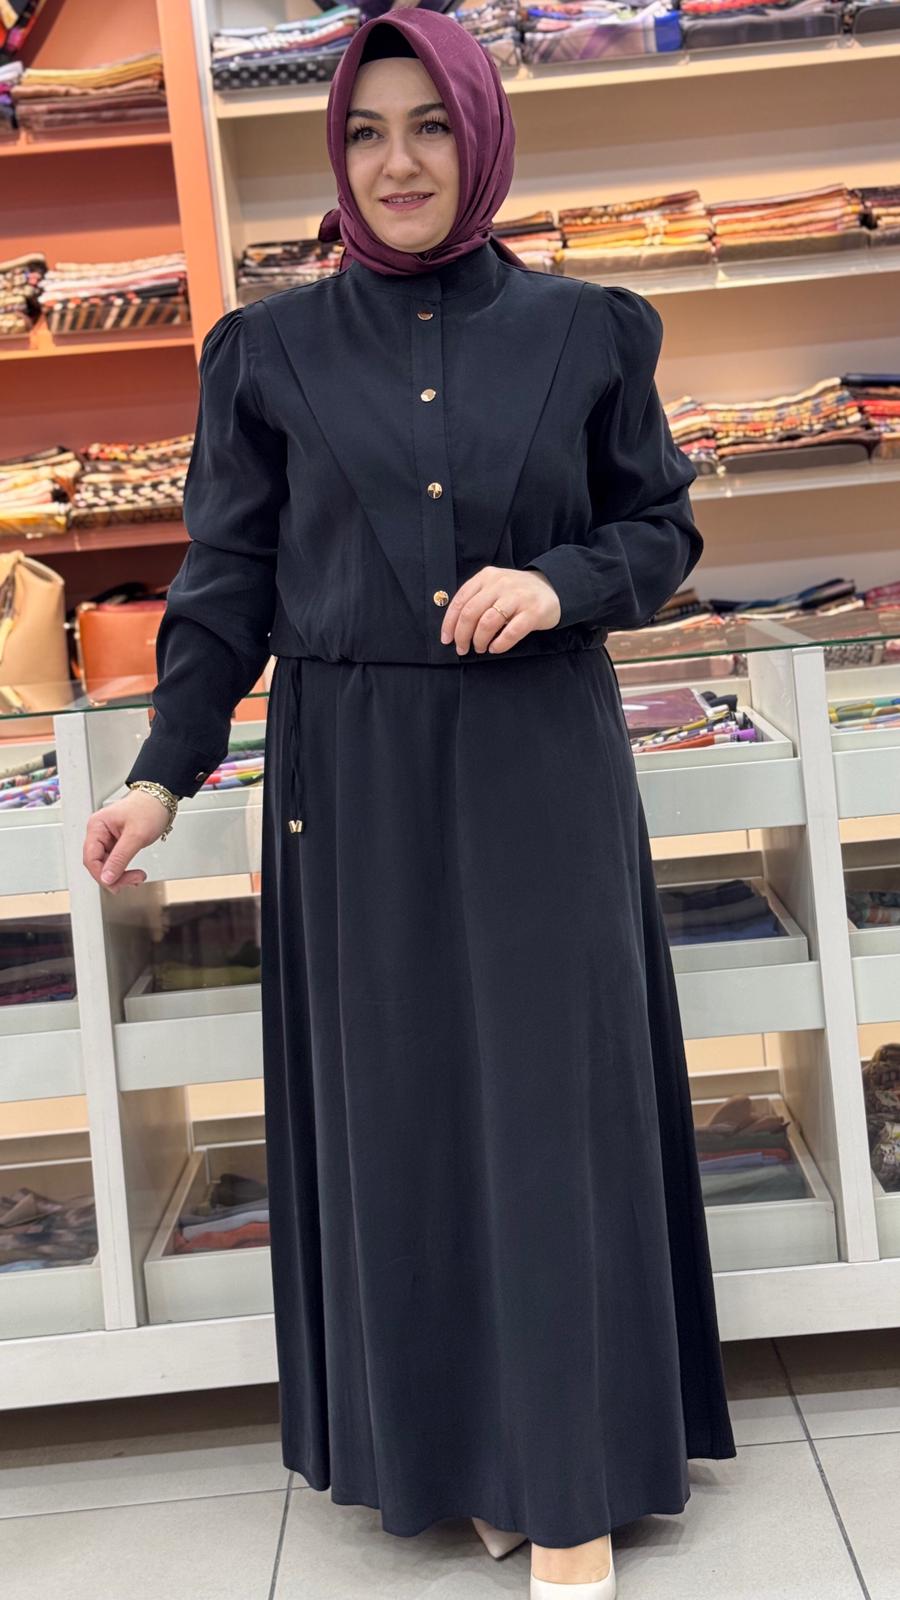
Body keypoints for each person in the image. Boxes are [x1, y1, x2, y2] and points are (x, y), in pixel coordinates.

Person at [82, 10, 736, 1596]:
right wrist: (164, 770)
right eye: (367, 132)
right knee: (407, 1115)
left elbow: (662, 532)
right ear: (335, 152)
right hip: (352, 774)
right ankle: (456, 1457)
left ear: (483, 136)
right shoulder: (268, 352)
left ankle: (568, 1476)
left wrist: (562, 580)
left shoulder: (591, 330)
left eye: (431, 125)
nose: (397, 163)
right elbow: (225, 584)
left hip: (535, 756)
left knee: (548, 1109)